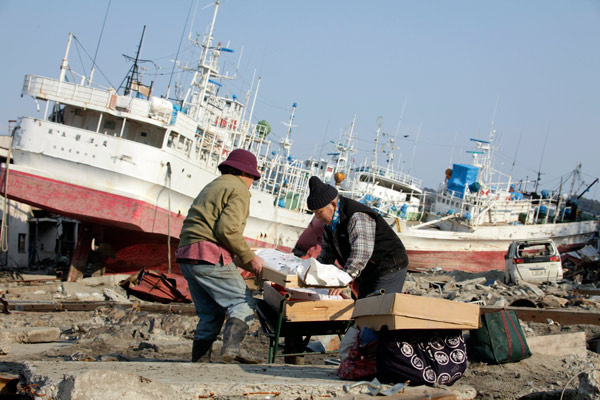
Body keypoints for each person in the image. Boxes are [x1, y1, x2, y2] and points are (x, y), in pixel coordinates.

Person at [175, 149, 265, 364]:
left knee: (210, 313)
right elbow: (228, 230)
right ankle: (231, 349)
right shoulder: (239, 189)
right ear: (247, 174)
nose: (252, 182)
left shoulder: (215, 184)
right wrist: (250, 258)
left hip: (187, 255)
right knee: (242, 302)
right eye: (253, 177)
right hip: (208, 255)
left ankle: (199, 361)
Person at [306, 176, 409, 299]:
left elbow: (361, 252)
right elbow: (327, 253)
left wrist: (344, 278)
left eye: (319, 212)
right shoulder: (329, 223)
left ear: (332, 204)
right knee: (361, 305)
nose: (317, 217)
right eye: (314, 213)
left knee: (379, 307)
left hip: (388, 265)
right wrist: (314, 273)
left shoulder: (357, 216)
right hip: (366, 269)